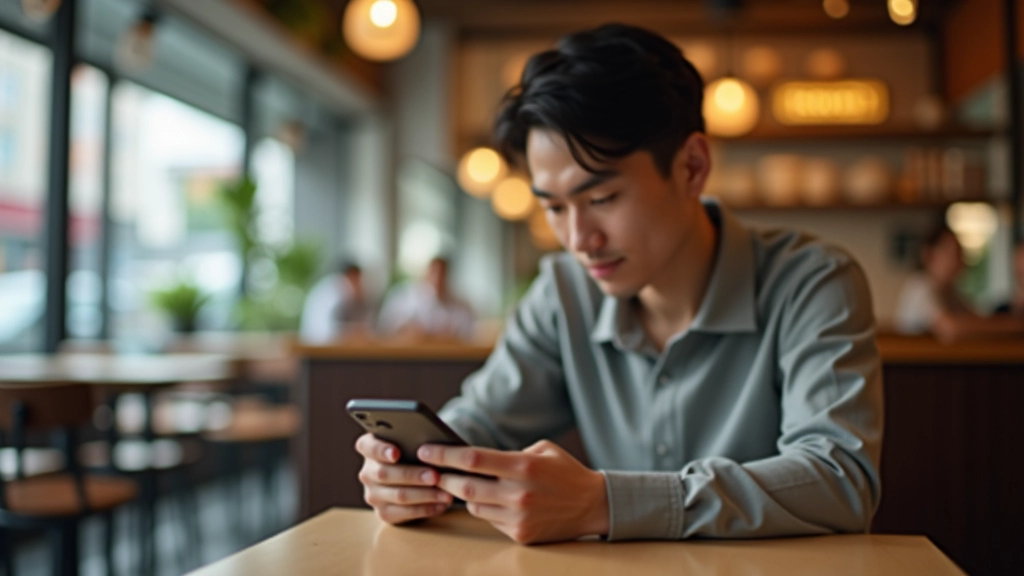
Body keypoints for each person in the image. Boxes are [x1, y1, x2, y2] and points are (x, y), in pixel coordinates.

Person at [355, 24, 883, 544]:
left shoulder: (813, 282)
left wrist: (606, 503)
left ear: (692, 166)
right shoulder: (564, 293)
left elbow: (840, 478)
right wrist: (412, 469)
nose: (579, 238)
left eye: (602, 199)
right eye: (554, 207)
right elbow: (481, 423)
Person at [894, 225, 1024, 341]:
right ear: (929, 254)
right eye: (952, 253)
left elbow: (976, 319)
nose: (959, 261)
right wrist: (1014, 326)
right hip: (916, 366)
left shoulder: (949, 292)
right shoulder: (919, 288)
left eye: (960, 254)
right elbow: (950, 329)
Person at [377, 257, 476, 341]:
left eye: (442, 274)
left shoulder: (461, 304)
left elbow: (467, 336)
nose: (437, 279)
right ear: (426, 273)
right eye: (434, 273)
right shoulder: (402, 296)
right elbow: (385, 328)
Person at [299, 260, 373, 342]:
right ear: (352, 275)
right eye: (358, 279)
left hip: (316, 340)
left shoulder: (331, 286)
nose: (360, 284)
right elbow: (330, 329)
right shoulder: (341, 287)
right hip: (319, 342)